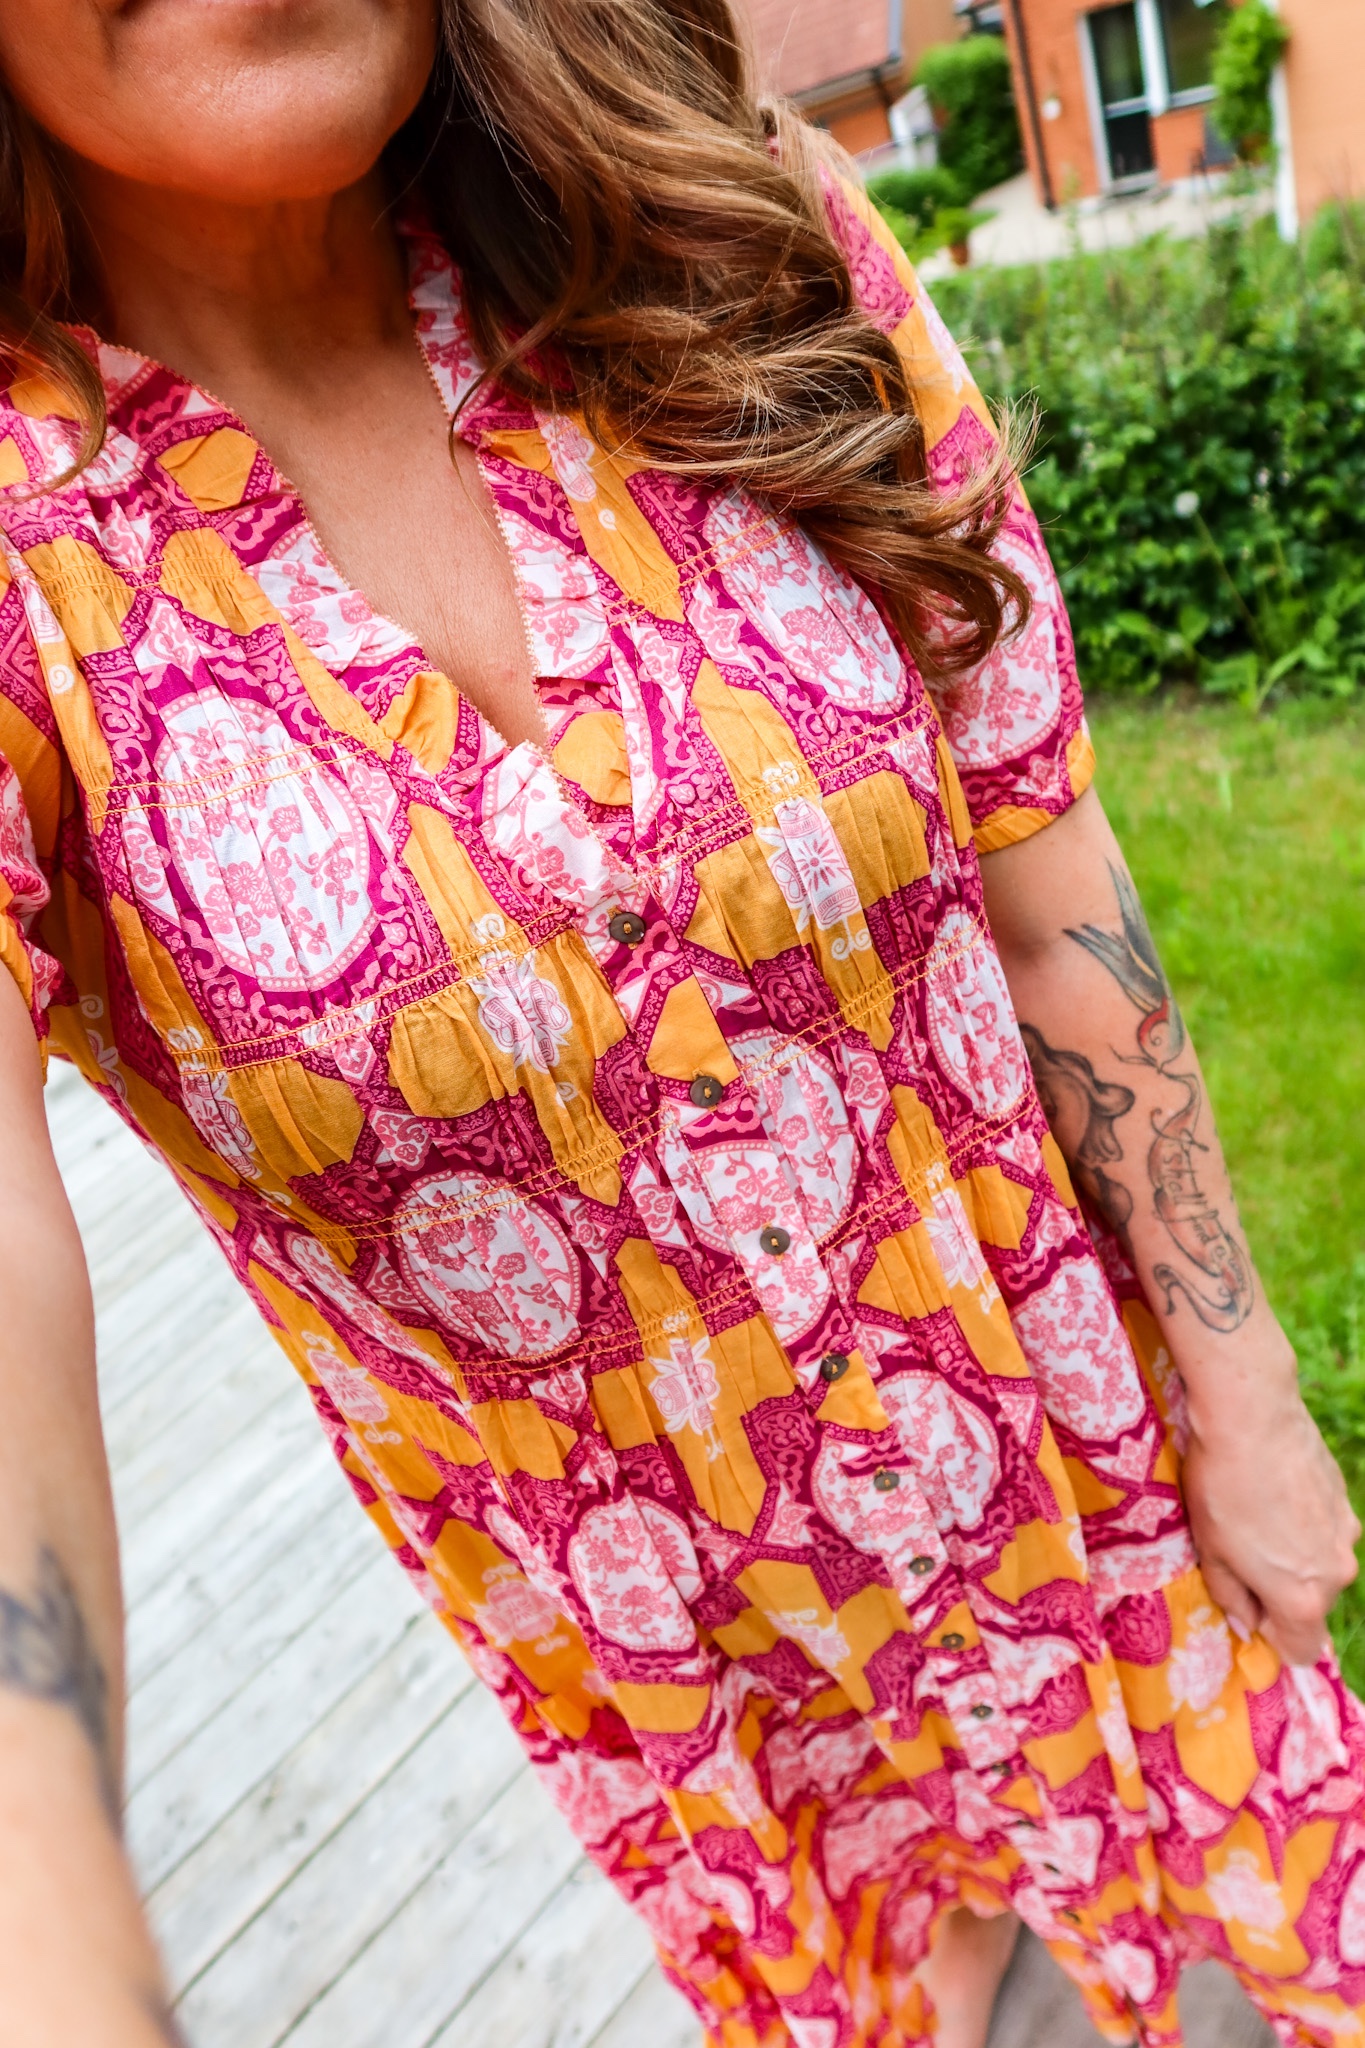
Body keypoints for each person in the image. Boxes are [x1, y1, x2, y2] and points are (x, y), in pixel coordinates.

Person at [0, 1, 1358, 2043]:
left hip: (1108, 1532)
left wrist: (1246, 1395)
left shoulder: (726, 230)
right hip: (741, 1749)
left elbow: (1036, 850)